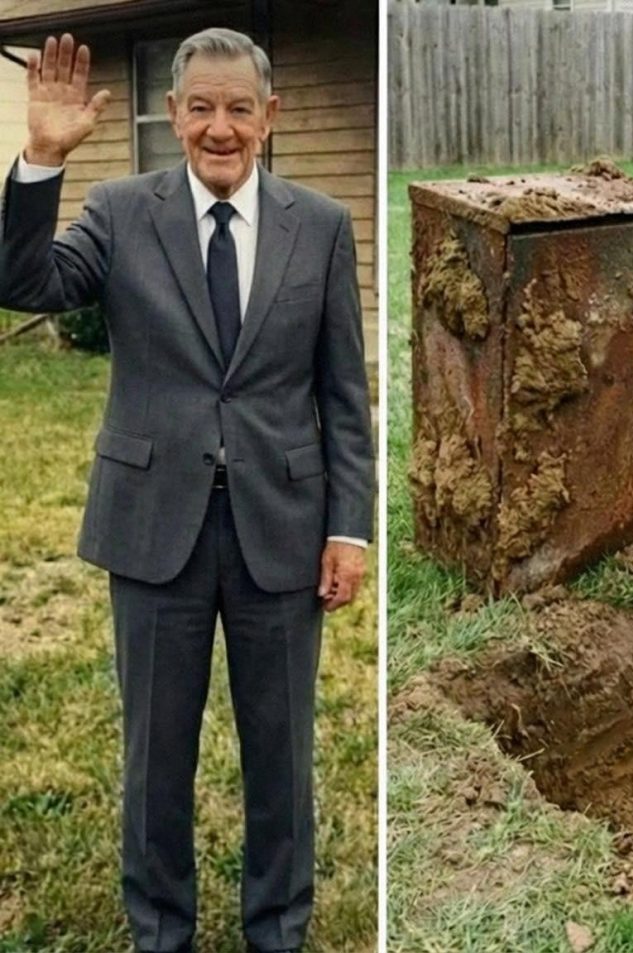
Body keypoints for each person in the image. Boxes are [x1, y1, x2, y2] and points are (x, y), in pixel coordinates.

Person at [0, 27, 374, 953]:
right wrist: (41, 157)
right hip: (152, 526)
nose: (220, 127)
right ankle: (160, 930)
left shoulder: (320, 225)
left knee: (281, 756)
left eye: (239, 108)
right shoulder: (122, 210)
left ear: (270, 117)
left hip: (280, 530)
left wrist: (350, 528)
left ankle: (275, 929)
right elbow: (24, 281)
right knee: (155, 758)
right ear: (172, 114)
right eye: (200, 107)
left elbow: (343, 394)